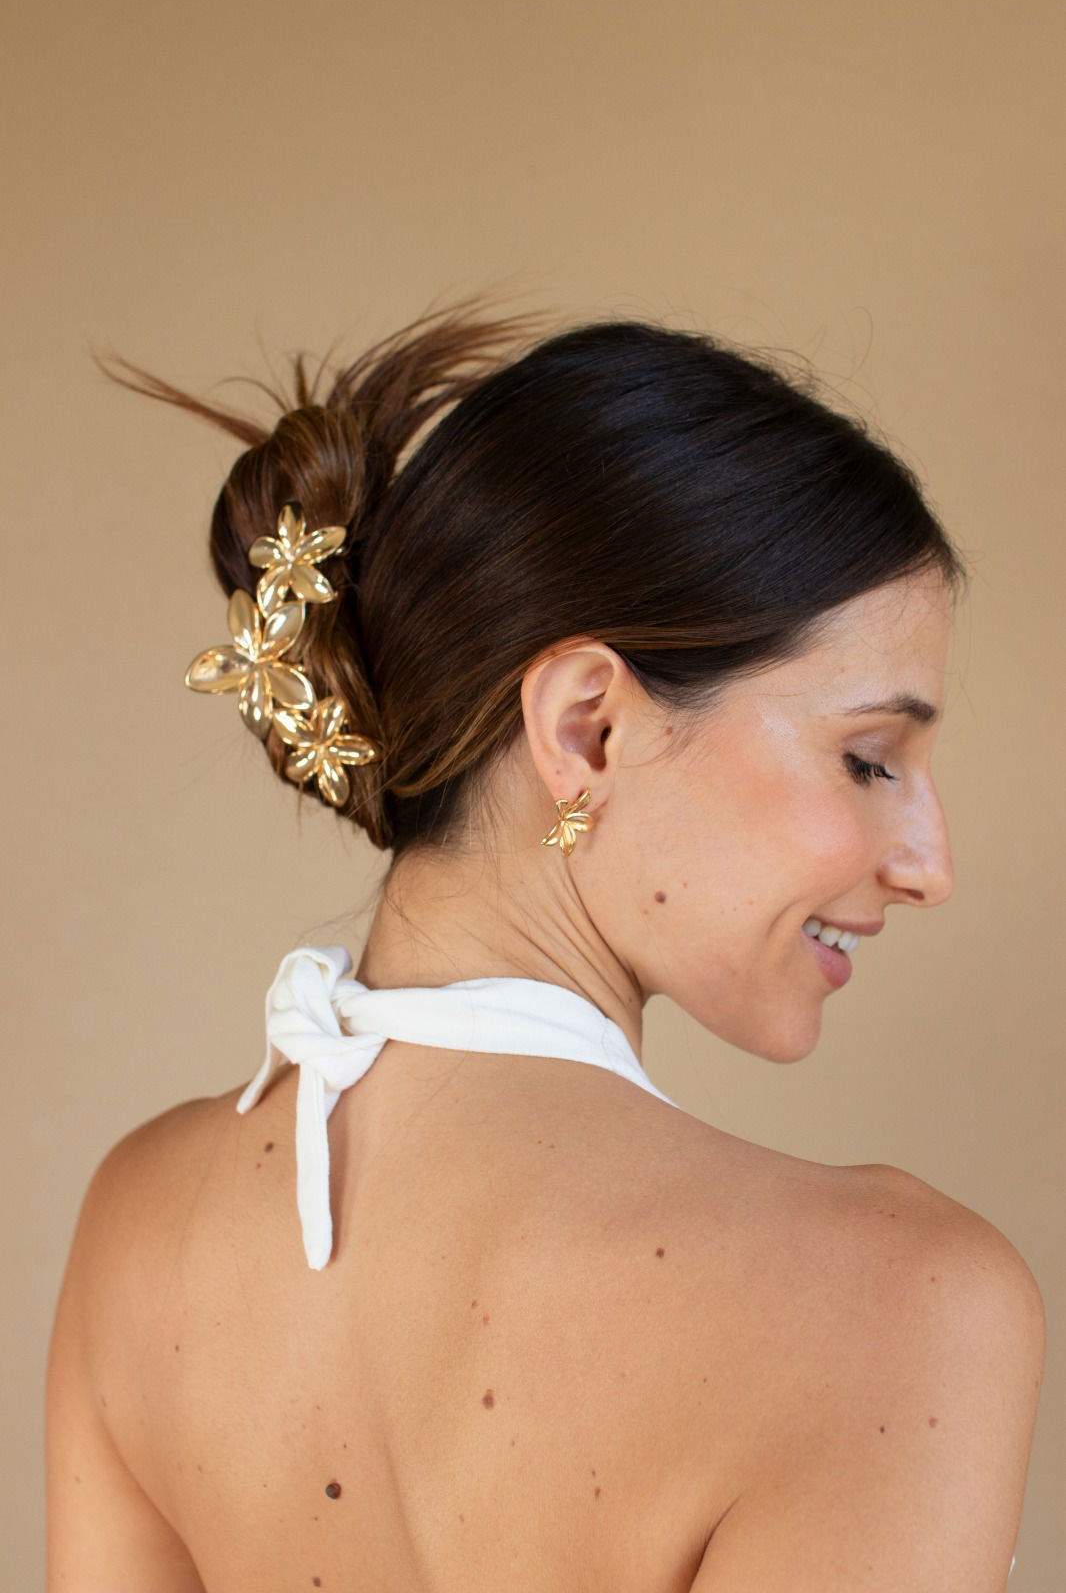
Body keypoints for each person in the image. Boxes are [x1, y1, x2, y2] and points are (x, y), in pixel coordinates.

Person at [47, 303, 1044, 1590]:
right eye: (867, 759)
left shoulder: (138, 1220)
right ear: (587, 728)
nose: (928, 864)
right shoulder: (902, 1305)